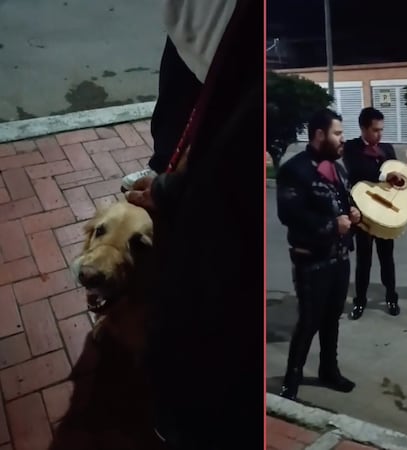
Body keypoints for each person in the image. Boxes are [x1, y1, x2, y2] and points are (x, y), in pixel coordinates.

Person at [124, 0, 264, 448]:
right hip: (197, 53)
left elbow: (227, 171)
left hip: (234, 72)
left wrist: (173, 188)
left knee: (207, 274)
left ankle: (182, 414)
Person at [276, 108, 360, 400]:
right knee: (309, 320)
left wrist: (353, 213)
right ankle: (291, 381)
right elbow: (289, 214)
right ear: (320, 135)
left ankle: (329, 370)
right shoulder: (293, 170)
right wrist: (331, 225)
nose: (342, 139)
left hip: (339, 257)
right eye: (337, 133)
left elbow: (343, 199)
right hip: (311, 259)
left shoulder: (338, 167)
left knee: (332, 317)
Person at [120, 0, 236, 192]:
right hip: (189, 23)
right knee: (173, 99)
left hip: (228, 39)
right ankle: (161, 166)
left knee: (218, 120)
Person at [342, 107, 400, 319]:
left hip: (385, 213)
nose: (380, 134)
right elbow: (359, 172)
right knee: (364, 261)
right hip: (363, 215)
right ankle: (360, 302)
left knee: (387, 259)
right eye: (375, 130)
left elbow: (398, 178)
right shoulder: (351, 147)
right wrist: (386, 175)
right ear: (363, 128)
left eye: (382, 130)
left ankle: (392, 298)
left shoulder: (387, 149)